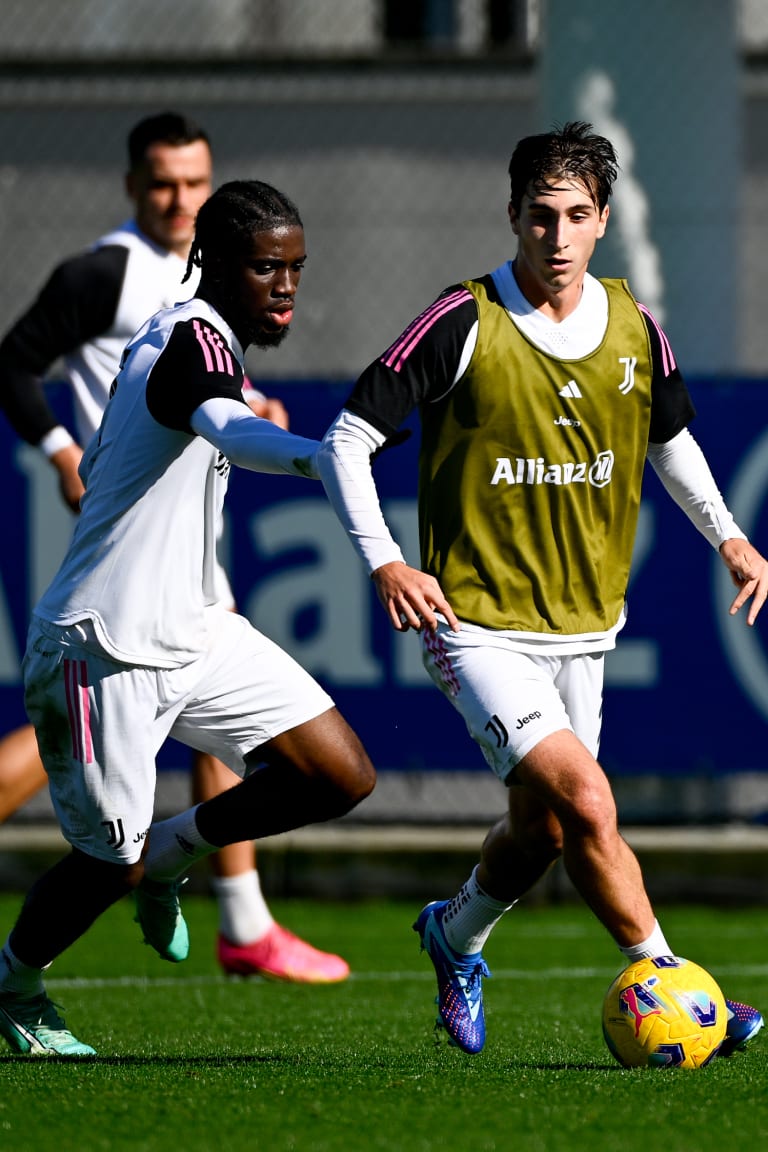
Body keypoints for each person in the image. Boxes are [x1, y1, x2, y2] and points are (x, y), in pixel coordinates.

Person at [317, 121, 768, 1057]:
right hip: (474, 621)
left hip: (584, 625)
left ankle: (454, 934)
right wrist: (384, 559)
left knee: (548, 833)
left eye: (574, 216)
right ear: (512, 215)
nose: (555, 238)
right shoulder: (462, 320)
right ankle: (690, 998)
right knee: (592, 802)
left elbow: (668, 435)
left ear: (602, 221)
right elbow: (347, 439)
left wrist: (728, 535)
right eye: (537, 217)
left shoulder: (635, 325)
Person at [0, 178, 376, 1058]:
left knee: (340, 774)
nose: (284, 286)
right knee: (104, 863)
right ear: (212, 263)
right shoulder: (191, 341)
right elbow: (228, 427)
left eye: (295, 269)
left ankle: (174, 852)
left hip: (198, 631)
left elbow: (226, 416)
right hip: (103, 646)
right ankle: (14, 984)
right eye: (264, 268)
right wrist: (317, 457)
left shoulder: (206, 339)